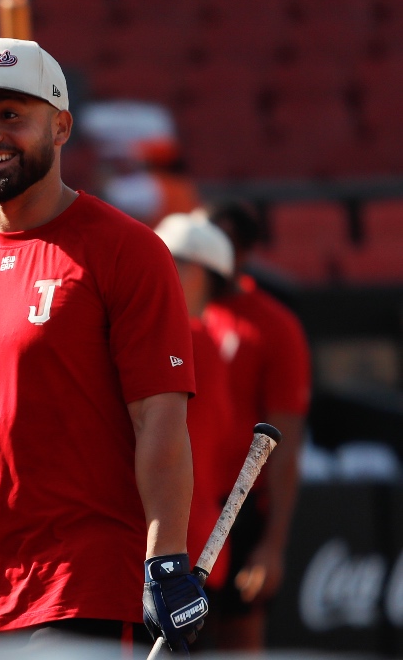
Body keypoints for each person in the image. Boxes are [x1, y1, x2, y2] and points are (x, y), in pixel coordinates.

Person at [0, 38, 206, 653]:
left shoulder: (127, 250)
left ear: (61, 126)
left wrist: (167, 559)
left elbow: (161, 417)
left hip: (84, 587)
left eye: (11, 114)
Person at [203, 201, 310, 651]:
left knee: (237, 639)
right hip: (176, 502)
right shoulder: (172, 315)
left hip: (237, 508)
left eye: (228, 243)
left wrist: (271, 546)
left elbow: (286, 444)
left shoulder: (275, 327)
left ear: (246, 252)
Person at [154, 212, 239, 590]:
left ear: (195, 274)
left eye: (166, 261)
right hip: (195, 548)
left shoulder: (188, 339)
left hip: (167, 554)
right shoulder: (207, 342)